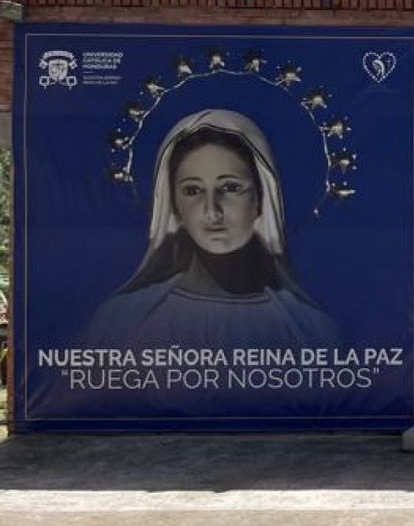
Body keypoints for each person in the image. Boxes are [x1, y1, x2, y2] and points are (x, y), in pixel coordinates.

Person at [84, 109, 338, 348]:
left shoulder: (311, 331)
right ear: (173, 205)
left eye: (230, 188)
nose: (212, 212)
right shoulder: (119, 321)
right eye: (192, 191)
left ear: (261, 198)